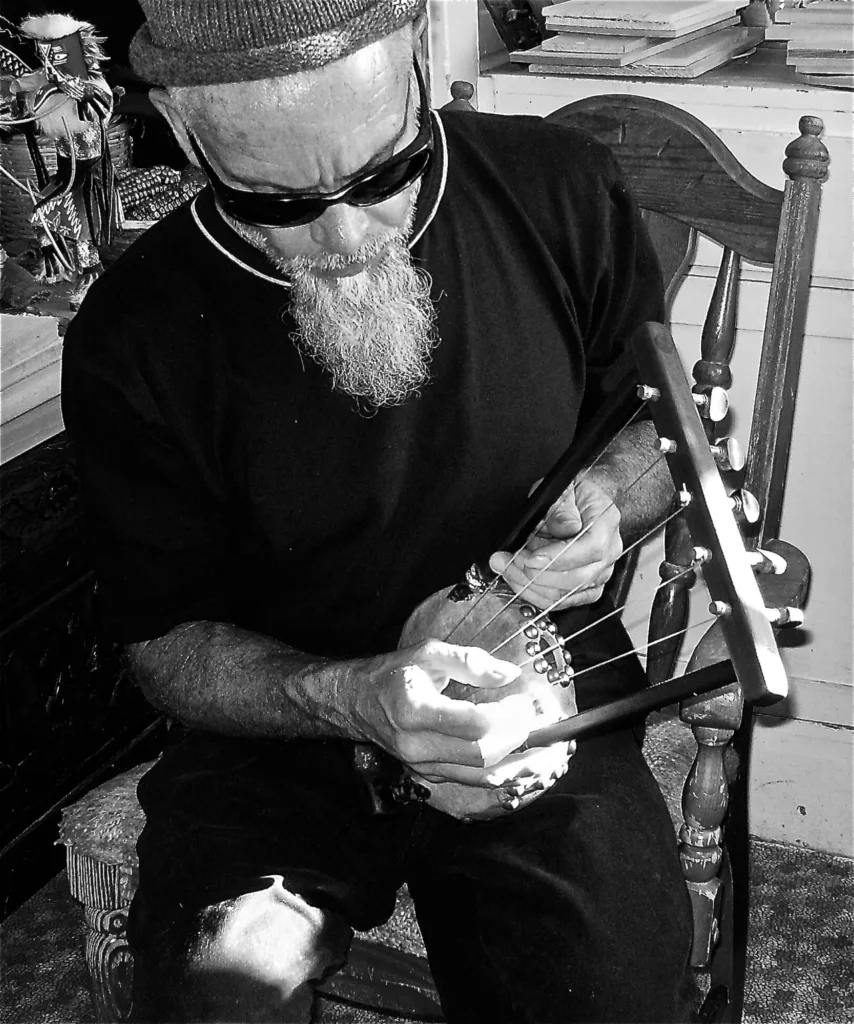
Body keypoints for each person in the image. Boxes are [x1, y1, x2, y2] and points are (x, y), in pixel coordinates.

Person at [61, 1, 694, 1021]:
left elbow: (659, 438)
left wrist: (611, 504)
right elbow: (163, 645)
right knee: (217, 999)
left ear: (412, 60)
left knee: (602, 997)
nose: (348, 236)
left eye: (383, 172)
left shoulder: (556, 187)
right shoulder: (129, 335)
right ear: (182, 130)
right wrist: (354, 696)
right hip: (281, 725)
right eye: (278, 200)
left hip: (539, 694)